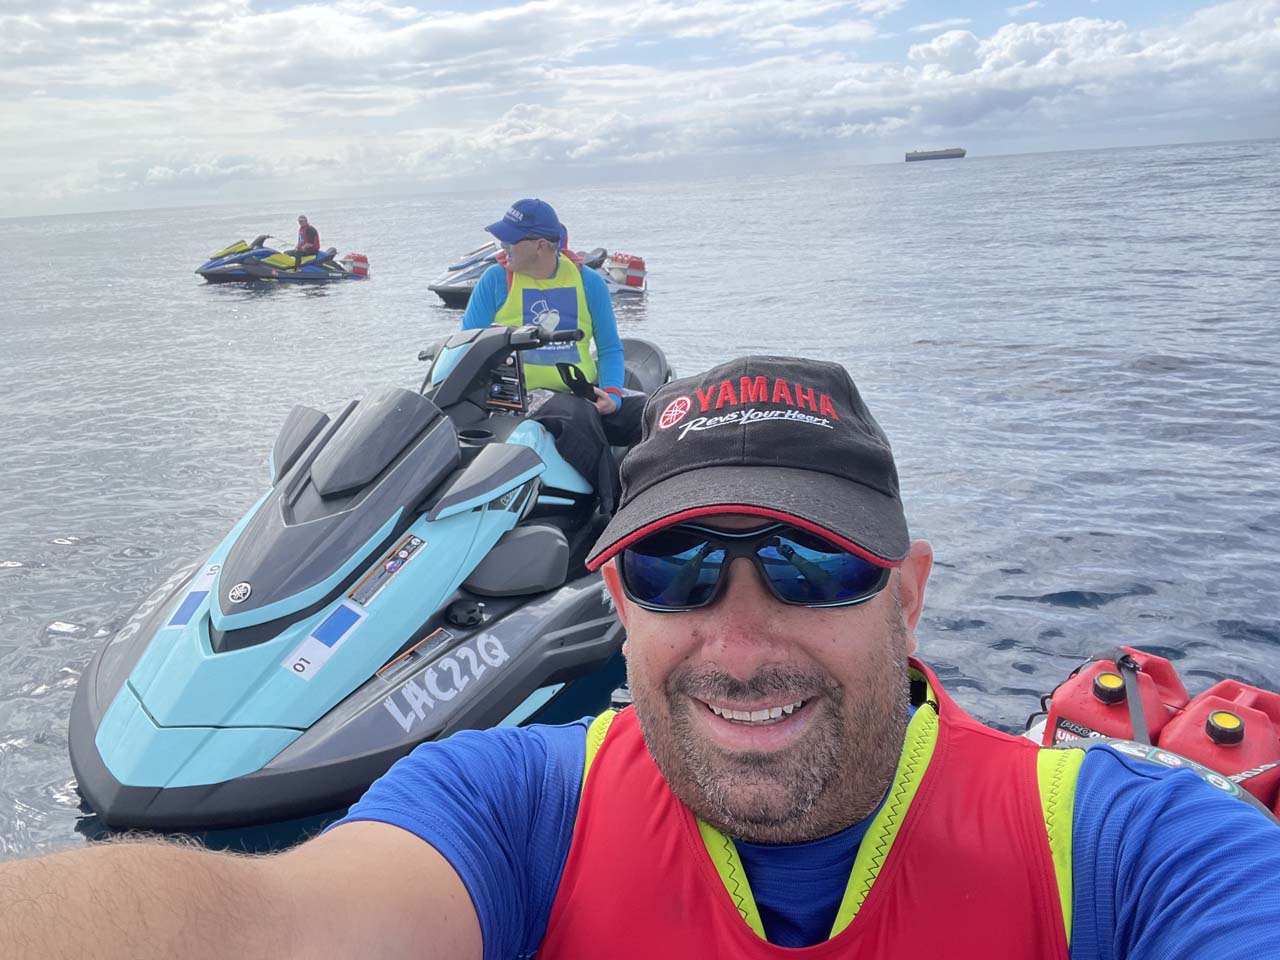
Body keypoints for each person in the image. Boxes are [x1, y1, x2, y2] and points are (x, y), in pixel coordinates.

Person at [3, 355, 1280, 959]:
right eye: (676, 571)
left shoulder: (1126, 848)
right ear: (617, 599)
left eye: (810, 566)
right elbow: (263, 930)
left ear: (907, 594)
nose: (740, 639)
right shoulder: (508, 808)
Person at [461, 198, 643, 448]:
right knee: (577, 416)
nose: (503, 247)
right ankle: (607, 476)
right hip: (521, 401)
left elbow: (609, 348)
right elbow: (466, 347)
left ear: (540, 245)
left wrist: (613, 395)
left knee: (653, 411)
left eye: (510, 240)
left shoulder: (589, 282)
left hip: (581, 392)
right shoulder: (495, 280)